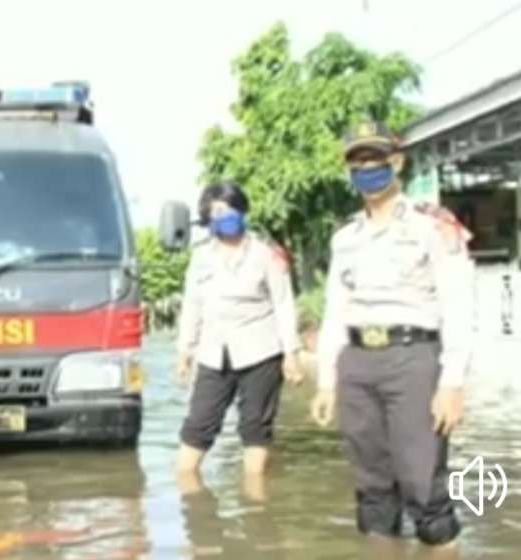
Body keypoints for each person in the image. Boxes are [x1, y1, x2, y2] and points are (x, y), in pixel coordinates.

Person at [310, 121, 475, 552]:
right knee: (373, 495)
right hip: (358, 364)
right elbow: (335, 312)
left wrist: (452, 382)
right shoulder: (344, 237)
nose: (366, 169)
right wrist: (327, 381)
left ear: (396, 161)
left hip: (413, 359)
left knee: (425, 491)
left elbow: (458, 303)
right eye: (357, 161)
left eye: (375, 159)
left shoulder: (431, 225)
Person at [175, 181, 304, 489]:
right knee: (198, 426)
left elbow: (284, 305)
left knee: (254, 428)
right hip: (213, 353)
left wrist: (292, 353)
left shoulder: (266, 255)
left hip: (261, 352)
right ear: (208, 217)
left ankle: (256, 504)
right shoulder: (201, 257)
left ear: (243, 211)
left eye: (231, 208)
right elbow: (192, 305)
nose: (226, 215)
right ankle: (192, 508)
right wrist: (184, 351)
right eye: (218, 211)